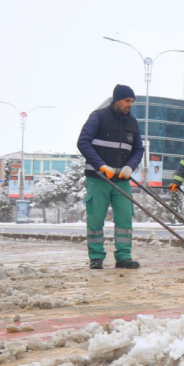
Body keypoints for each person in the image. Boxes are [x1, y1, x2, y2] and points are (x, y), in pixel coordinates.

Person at [76, 84, 145, 270]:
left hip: (121, 180)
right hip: (98, 178)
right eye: (127, 101)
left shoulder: (132, 123)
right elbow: (83, 142)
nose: (130, 104)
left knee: (124, 219)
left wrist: (130, 166)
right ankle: (96, 257)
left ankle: (124, 257)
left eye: (132, 101)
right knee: (96, 219)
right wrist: (101, 165)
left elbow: (139, 149)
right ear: (116, 100)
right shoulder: (98, 117)